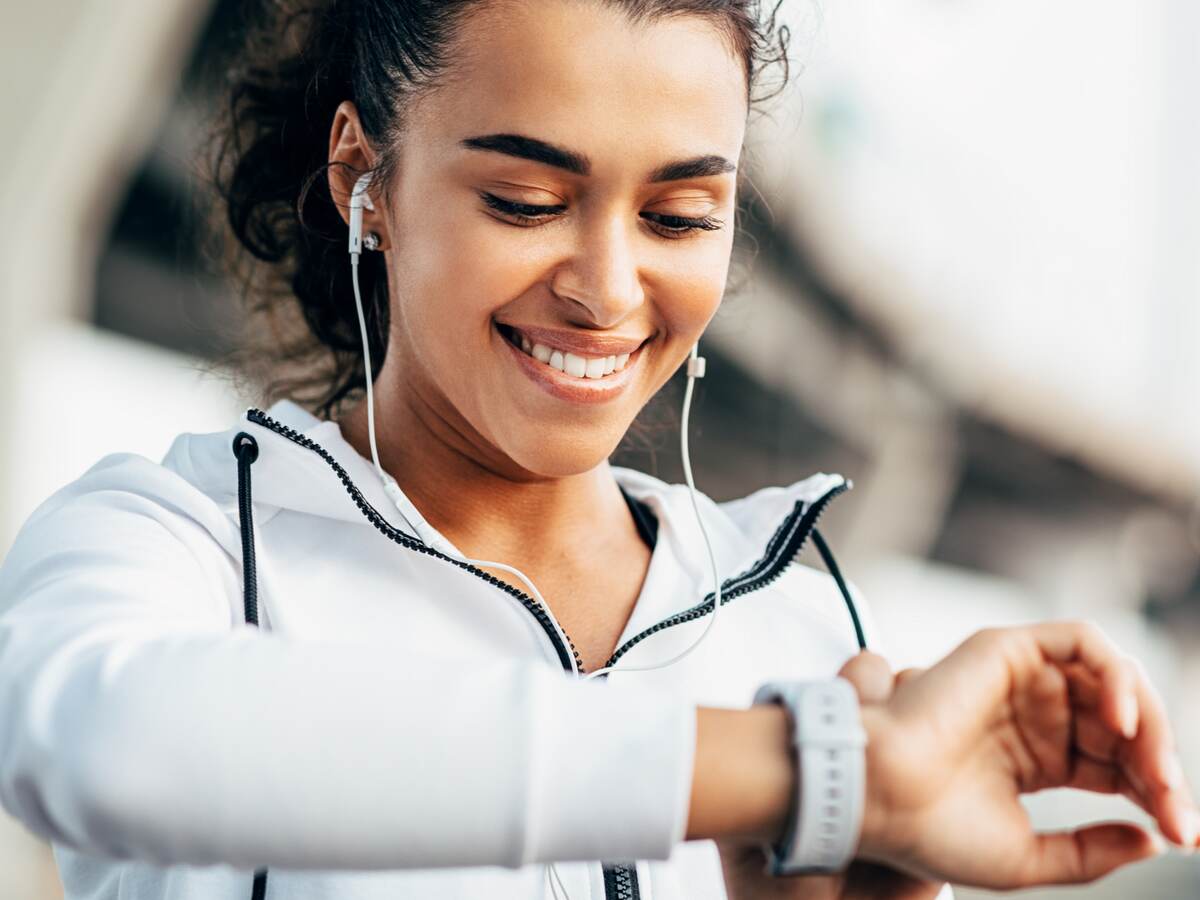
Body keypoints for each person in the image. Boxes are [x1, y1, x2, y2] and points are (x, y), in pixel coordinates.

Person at [0, 2, 1195, 899]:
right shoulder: (180, 541)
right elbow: (102, 744)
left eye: (681, 217)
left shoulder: (799, 613)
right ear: (365, 172)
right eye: (524, 200)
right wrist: (800, 768)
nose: (610, 290)